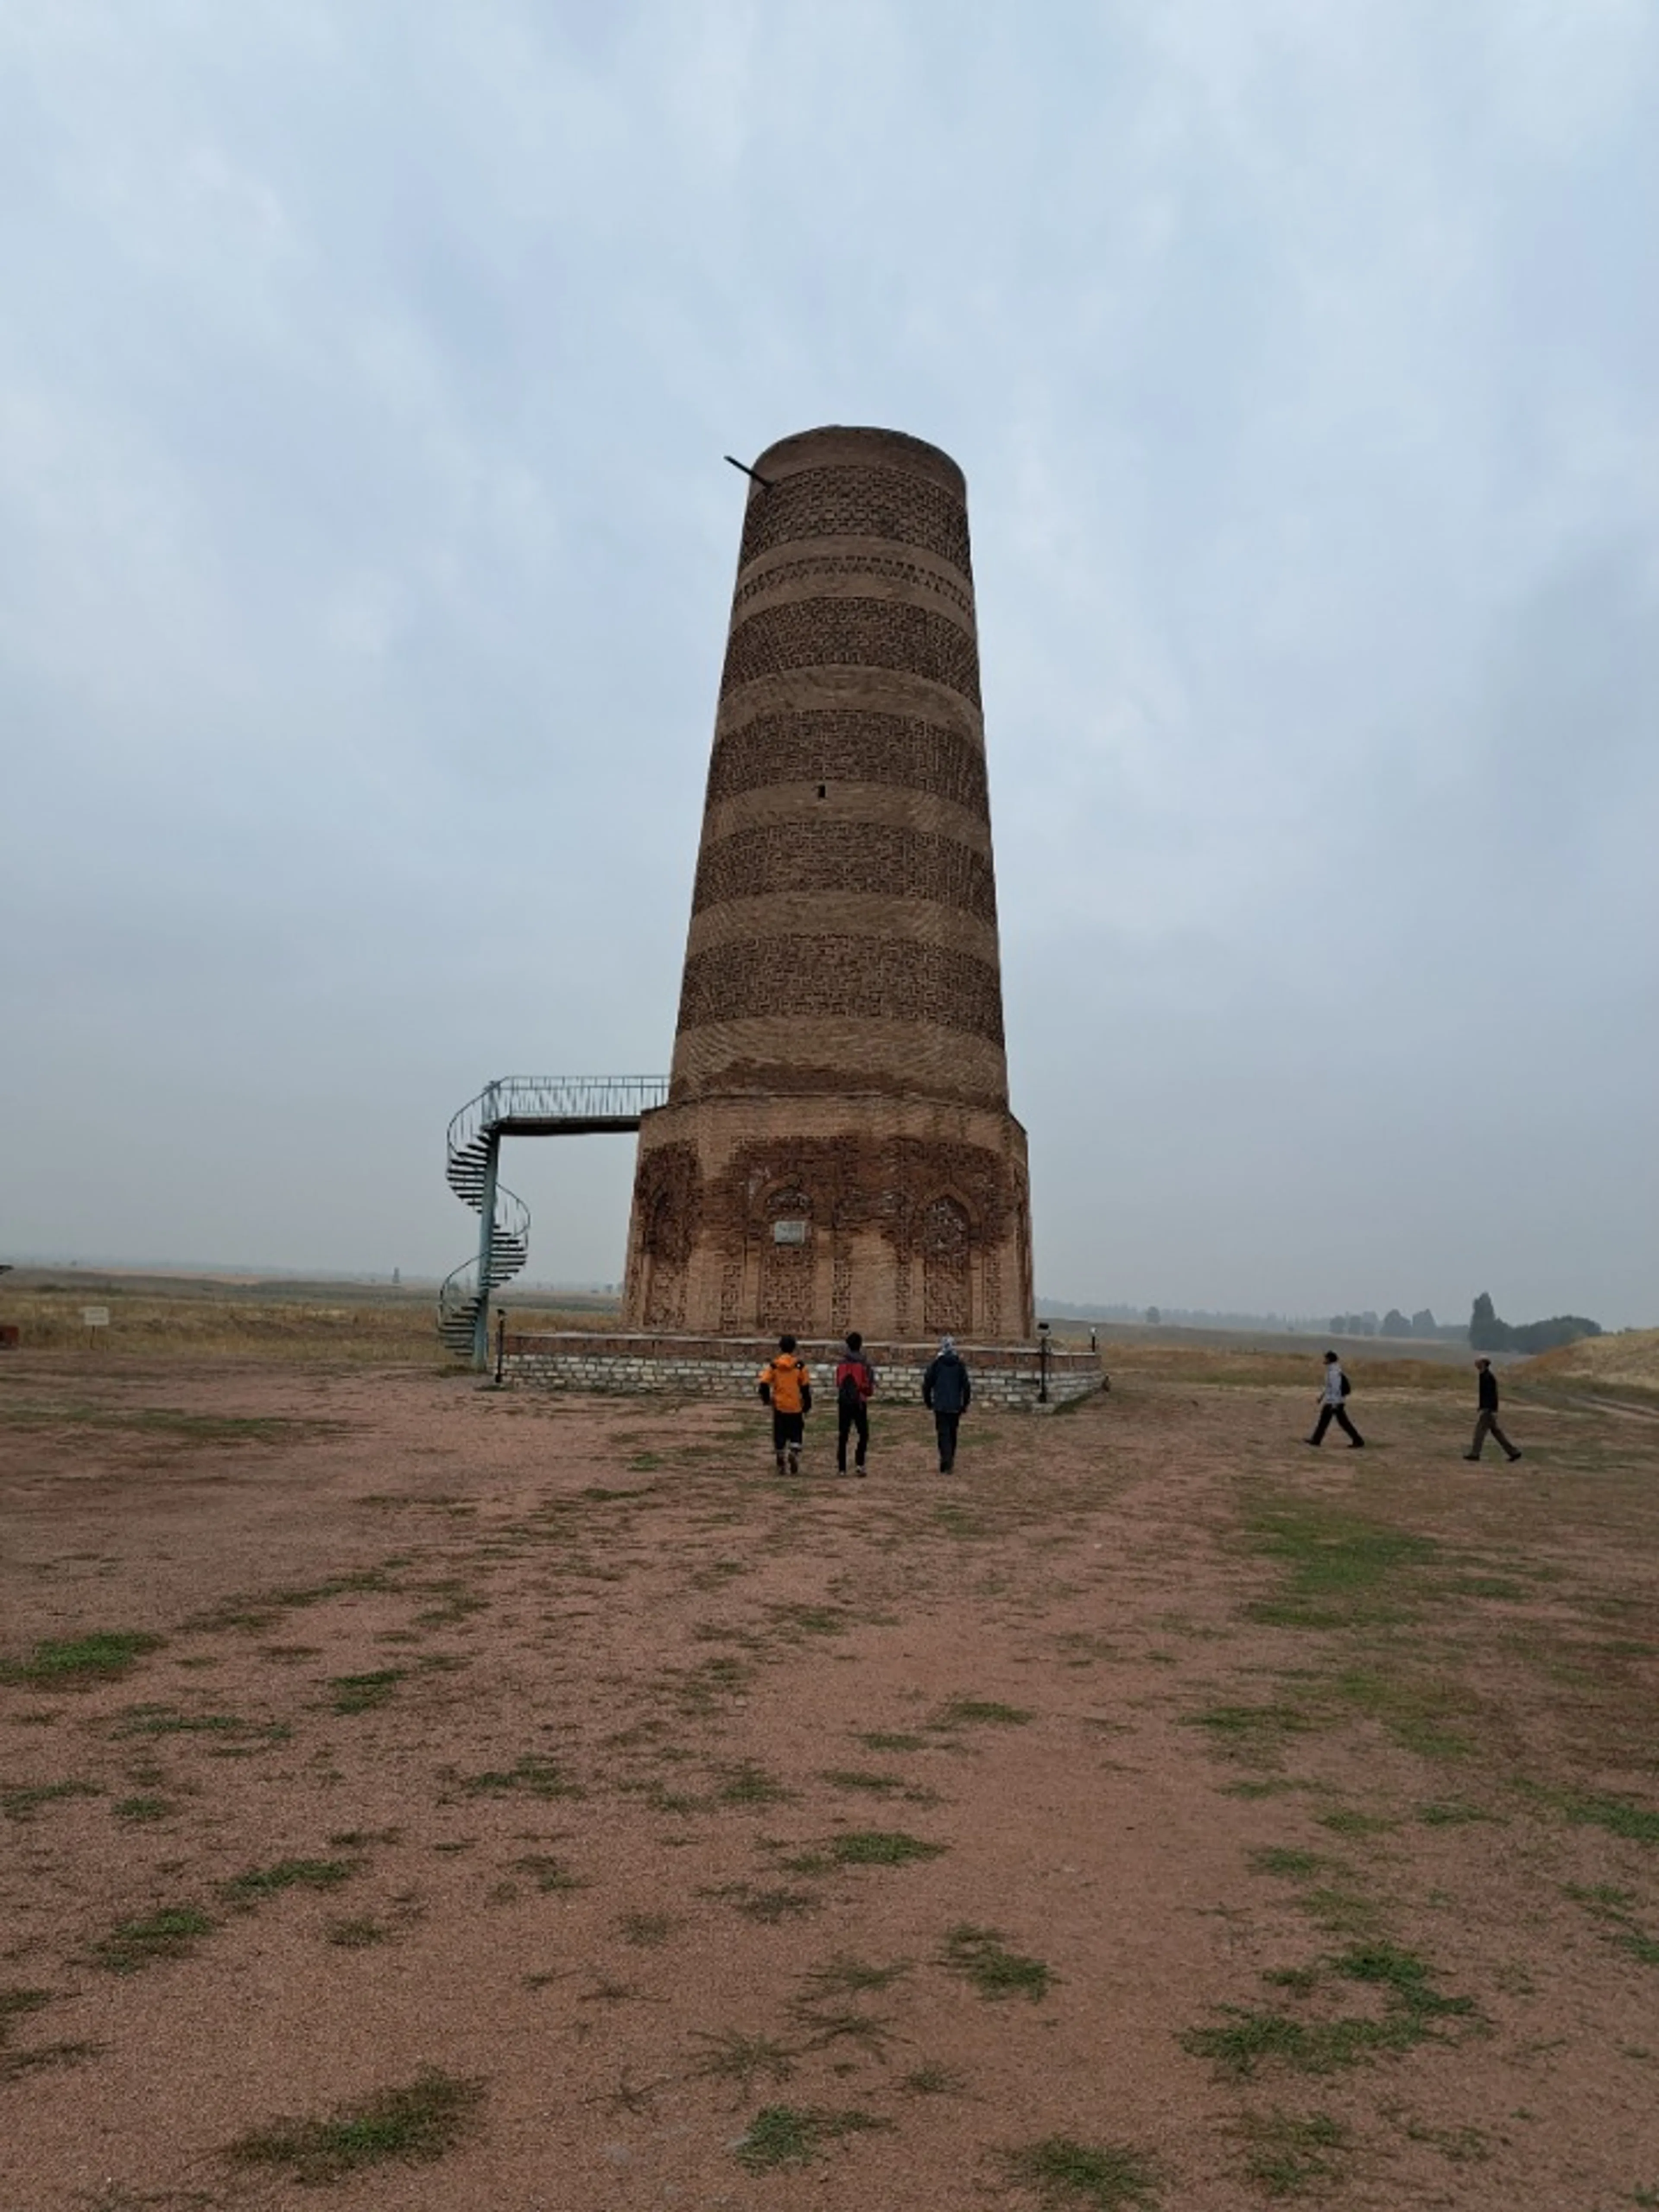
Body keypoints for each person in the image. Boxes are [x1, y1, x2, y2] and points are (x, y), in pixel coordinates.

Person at [757, 1335, 812, 1475]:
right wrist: (807, 1404)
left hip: (780, 1405)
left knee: (780, 1433)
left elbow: (764, 1383)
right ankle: (794, 1452)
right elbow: (805, 1387)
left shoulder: (774, 1366)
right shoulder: (800, 1367)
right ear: (794, 1348)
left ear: (780, 1348)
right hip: (795, 1406)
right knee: (796, 1432)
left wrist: (766, 1399)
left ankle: (781, 1456)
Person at [922, 1334, 972, 1472]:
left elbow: (927, 1384)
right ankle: (949, 1459)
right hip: (955, 1405)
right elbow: (966, 1386)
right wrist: (965, 1404)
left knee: (943, 1434)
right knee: (952, 1433)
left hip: (941, 1405)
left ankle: (946, 1460)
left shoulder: (937, 1365)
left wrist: (928, 1401)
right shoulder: (959, 1365)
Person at [1464, 1356, 1522, 1464]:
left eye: (1478, 1362)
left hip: (1488, 1410)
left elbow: (1492, 1395)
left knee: (1479, 1432)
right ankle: (1514, 1452)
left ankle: (1475, 1454)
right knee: (1497, 1433)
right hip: (1488, 1409)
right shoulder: (1484, 1376)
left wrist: (1490, 1409)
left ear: (1483, 1364)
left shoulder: (1488, 1377)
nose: (1476, 1363)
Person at [834, 1331, 876, 1476]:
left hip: (844, 1402)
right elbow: (869, 1386)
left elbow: (838, 1383)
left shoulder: (842, 1364)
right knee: (863, 1434)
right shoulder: (865, 1364)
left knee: (843, 1434)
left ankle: (842, 1468)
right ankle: (860, 1463)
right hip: (859, 1402)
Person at [1306, 1350, 1365, 1448]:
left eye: (1326, 1358)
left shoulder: (1334, 1372)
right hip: (1334, 1401)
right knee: (1334, 1422)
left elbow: (1336, 1388)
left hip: (1334, 1402)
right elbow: (1329, 1387)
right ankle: (1316, 1440)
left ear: (1329, 1359)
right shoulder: (1332, 1371)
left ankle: (1316, 1440)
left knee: (1332, 1422)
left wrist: (1334, 1404)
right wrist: (1322, 1397)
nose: (1324, 1360)